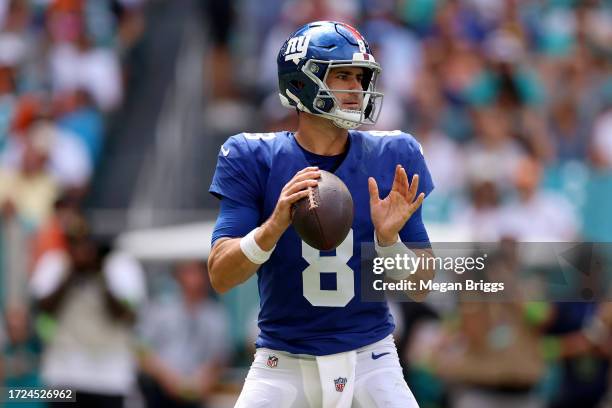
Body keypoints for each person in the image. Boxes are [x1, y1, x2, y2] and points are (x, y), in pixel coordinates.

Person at [208, 21, 434, 408]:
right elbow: (221, 275)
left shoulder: (393, 154)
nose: (356, 89)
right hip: (282, 361)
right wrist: (273, 226)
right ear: (300, 83)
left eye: (360, 77)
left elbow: (421, 285)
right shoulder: (252, 157)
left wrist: (388, 241)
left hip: (372, 357)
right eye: (342, 75)